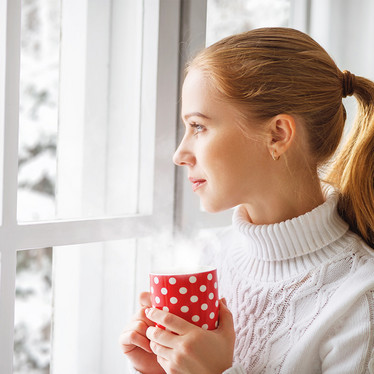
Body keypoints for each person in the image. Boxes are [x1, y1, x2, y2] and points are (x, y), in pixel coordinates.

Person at [119, 27, 374, 374]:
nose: (180, 154)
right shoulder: (211, 259)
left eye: (198, 127)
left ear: (277, 134)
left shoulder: (360, 300)